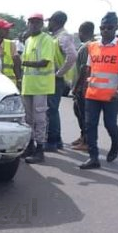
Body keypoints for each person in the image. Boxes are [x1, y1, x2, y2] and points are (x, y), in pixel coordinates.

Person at [80, 12, 118, 169]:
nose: (105, 31)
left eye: (109, 27)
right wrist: (84, 86)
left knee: (110, 124)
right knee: (90, 125)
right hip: (93, 93)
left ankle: (116, 144)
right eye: (102, 27)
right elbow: (89, 67)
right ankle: (93, 157)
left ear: (116, 27)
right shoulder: (93, 46)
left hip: (111, 95)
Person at [20, 13, 56, 164]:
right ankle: (29, 146)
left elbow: (44, 62)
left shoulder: (47, 39)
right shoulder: (28, 40)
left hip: (41, 86)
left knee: (40, 119)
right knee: (27, 119)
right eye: (31, 22)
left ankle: (39, 149)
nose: (33, 25)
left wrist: (24, 63)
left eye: (36, 22)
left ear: (42, 24)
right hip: (28, 85)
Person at [45, 11, 78, 151]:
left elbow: (72, 56)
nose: (48, 24)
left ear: (56, 22)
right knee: (52, 110)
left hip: (57, 79)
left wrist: (59, 73)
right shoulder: (56, 37)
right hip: (54, 79)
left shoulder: (63, 36)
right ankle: (56, 140)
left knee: (51, 110)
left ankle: (52, 141)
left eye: (50, 21)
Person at [70, 21, 96, 151]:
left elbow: (84, 69)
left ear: (83, 32)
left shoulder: (87, 47)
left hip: (83, 87)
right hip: (84, 86)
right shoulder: (90, 46)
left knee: (83, 115)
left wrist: (77, 88)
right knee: (78, 112)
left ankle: (86, 141)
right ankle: (83, 137)